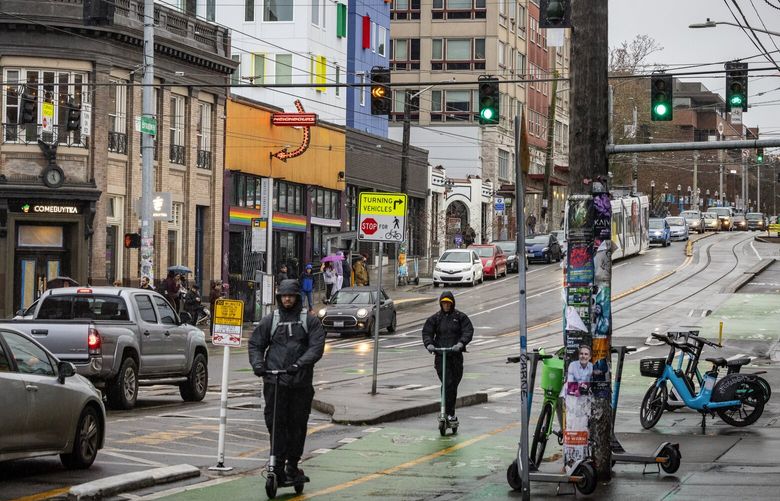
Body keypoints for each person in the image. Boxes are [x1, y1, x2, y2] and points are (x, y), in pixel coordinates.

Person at [248, 279, 326, 486]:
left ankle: (292, 465)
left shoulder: (309, 321)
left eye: (290, 295)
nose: (287, 299)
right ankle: (277, 464)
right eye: (284, 296)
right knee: (275, 423)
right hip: (274, 382)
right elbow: (256, 344)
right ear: (279, 298)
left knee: (297, 424)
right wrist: (258, 365)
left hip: (300, 383)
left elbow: (316, 347)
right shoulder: (270, 320)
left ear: (297, 297)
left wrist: (299, 365)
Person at [421, 291, 474, 426]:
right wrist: (429, 344)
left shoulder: (460, 317)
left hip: (455, 356)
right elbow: (427, 332)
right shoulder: (436, 318)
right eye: (444, 303)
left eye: (448, 303)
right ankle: (446, 413)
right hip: (441, 356)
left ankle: (451, 413)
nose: (446, 305)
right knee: (447, 382)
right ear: (441, 303)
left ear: (452, 304)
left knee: (452, 384)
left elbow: (468, 331)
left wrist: (461, 343)